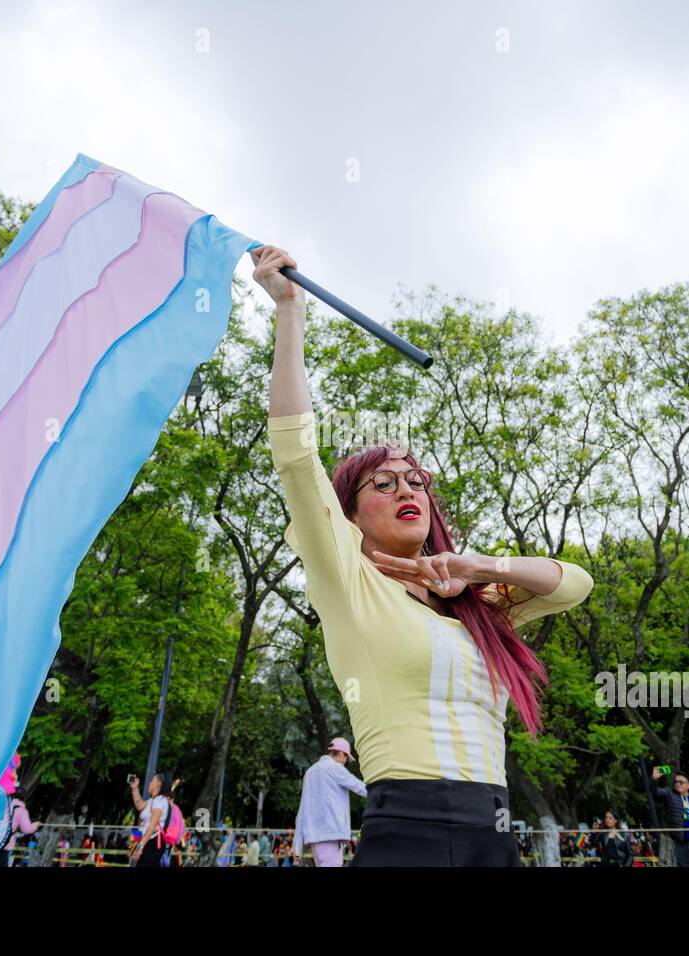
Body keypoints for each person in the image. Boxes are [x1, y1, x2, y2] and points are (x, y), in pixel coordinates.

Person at [253, 245, 595, 866]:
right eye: (382, 483)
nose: (406, 490)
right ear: (350, 515)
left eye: (416, 481)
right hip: (408, 831)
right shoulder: (348, 580)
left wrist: (480, 568)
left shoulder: (479, 605)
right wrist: (290, 311)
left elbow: (573, 583)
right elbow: (296, 456)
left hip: (495, 835)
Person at [291, 737, 367, 867]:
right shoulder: (335, 768)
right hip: (330, 833)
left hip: (315, 837)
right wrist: (384, 792)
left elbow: (302, 810)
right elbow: (361, 788)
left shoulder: (310, 772)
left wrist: (297, 845)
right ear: (342, 754)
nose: (346, 763)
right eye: (347, 759)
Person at [129, 770, 171, 867]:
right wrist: (134, 788)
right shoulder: (153, 800)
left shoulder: (159, 800)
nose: (149, 783)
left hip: (152, 841)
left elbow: (152, 826)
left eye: (152, 781)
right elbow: (139, 805)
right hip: (143, 838)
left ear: (159, 784)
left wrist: (140, 847)